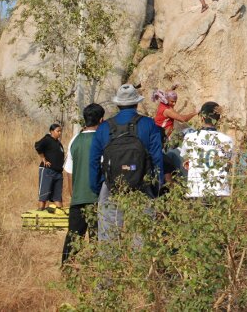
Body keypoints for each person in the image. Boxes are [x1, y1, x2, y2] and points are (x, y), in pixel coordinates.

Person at [88, 84, 164, 241]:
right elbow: (157, 158)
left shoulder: (104, 127)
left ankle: (111, 264)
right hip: (143, 184)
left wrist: (99, 187)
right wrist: (156, 186)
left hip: (111, 186)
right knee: (142, 238)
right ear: (136, 103)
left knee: (109, 239)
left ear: (117, 104)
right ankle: (140, 265)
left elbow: (94, 161)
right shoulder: (149, 125)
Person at [61, 103, 103, 264]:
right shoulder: (101, 140)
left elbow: (69, 172)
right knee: (97, 239)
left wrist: (74, 194)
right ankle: (95, 271)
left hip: (77, 199)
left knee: (73, 238)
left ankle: (66, 270)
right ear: (101, 120)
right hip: (96, 198)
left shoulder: (75, 140)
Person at [180, 102, 235, 198]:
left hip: (196, 191)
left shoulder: (189, 137)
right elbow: (230, 164)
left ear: (202, 117)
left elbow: (185, 160)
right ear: (219, 119)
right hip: (220, 192)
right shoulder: (227, 140)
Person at [35, 123, 65, 210]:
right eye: (58, 131)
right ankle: (40, 214)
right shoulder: (47, 139)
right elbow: (37, 146)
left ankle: (60, 216)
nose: (60, 133)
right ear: (52, 131)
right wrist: (43, 158)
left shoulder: (58, 143)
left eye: (60, 131)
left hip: (58, 173)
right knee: (44, 195)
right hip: (48, 171)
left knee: (57, 197)